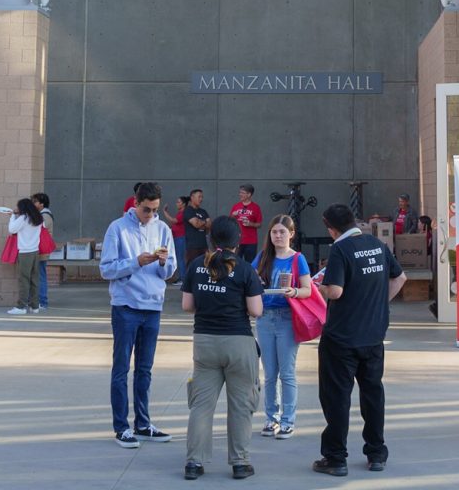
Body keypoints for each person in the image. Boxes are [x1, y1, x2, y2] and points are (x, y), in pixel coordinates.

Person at [312, 204, 407, 477]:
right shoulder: (376, 245)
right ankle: (376, 453)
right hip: (374, 335)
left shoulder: (340, 250)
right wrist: (377, 304)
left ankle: (335, 458)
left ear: (330, 228)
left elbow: (336, 291)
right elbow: (400, 277)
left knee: (337, 398)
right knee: (373, 394)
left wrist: (320, 286)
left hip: (341, 338)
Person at [182, 216, 263, 481]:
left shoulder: (197, 265)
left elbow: (186, 305)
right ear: (238, 241)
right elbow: (255, 310)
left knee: (201, 405)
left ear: (211, 238)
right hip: (238, 342)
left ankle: (194, 463)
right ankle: (240, 462)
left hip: (204, 341)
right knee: (241, 405)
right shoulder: (244, 269)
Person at [100, 182, 176, 449]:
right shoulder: (117, 228)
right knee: (121, 368)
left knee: (144, 369)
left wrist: (164, 263)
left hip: (153, 306)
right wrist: (136, 262)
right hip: (126, 306)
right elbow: (106, 269)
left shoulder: (163, 229)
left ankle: (143, 424)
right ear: (136, 202)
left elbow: (170, 273)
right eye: (146, 209)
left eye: (155, 210)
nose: (150, 215)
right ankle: (121, 427)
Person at [253, 214, 312, 439]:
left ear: (291, 234)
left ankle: (288, 420)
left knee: (287, 373)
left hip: (287, 317)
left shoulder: (298, 259)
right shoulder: (262, 257)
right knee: (269, 374)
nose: (278, 236)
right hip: (265, 317)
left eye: (282, 232)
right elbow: (250, 280)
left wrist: (294, 292)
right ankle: (271, 418)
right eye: (274, 232)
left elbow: (307, 288)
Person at [6, 198, 44, 315]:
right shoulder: (38, 217)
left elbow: (12, 229)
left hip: (25, 252)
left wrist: (12, 216)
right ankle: (35, 306)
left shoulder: (23, 218)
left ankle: (21, 307)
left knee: (24, 280)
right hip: (35, 252)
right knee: (34, 280)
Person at [31, 192, 55, 310]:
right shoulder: (41, 214)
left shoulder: (45, 215)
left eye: (35, 201)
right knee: (38, 275)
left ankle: (42, 302)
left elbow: (37, 227)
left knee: (40, 276)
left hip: (41, 250)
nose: (33, 203)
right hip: (38, 249)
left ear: (41, 203)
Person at [230, 184, 263, 263]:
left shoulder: (256, 207)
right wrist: (233, 215)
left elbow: (259, 224)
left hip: (251, 241)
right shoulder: (236, 206)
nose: (240, 194)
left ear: (249, 194)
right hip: (237, 240)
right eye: (240, 192)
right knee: (235, 263)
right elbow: (230, 221)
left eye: (243, 193)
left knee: (250, 263)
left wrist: (250, 224)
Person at [161, 195, 190, 284]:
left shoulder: (183, 213)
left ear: (184, 204)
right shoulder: (180, 213)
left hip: (181, 238)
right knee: (179, 258)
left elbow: (174, 221)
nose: (177, 204)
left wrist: (164, 212)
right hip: (178, 237)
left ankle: (183, 279)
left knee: (180, 258)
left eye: (178, 202)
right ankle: (182, 277)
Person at [183, 189, 211, 265]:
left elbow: (209, 226)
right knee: (192, 268)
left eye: (202, 197)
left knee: (205, 267)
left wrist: (201, 223)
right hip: (192, 247)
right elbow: (196, 224)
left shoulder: (203, 211)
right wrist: (205, 222)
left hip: (204, 246)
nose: (201, 199)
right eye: (199, 197)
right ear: (192, 197)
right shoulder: (188, 210)